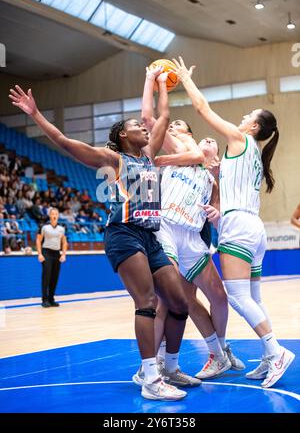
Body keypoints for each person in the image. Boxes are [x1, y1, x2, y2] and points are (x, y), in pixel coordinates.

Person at [9, 67, 189, 402]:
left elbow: (163, 114)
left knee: (179, 303)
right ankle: (150, 378)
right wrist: (34, 115)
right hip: (123, 234)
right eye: (136, 125)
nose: (144, 127)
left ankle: (169, 367)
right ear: (123, 135)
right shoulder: (113, 158)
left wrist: (161, 83)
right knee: (147, 302)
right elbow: (63, 141)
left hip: (150, 237)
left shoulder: (150, 157)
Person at [172, 56, 295, 388]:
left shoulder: (240, 140)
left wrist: (186, 80)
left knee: (238, 297)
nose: (242, 118)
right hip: (252, 227)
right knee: (253, 298)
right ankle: (270, 358)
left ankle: (276, 351)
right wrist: (216, 200)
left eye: (247, 117)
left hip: (240, 229)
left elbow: (203, 110)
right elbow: (228, 187)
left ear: (254, 127)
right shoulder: (249, 152)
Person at [140, 109, 244, 383]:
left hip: (193, 237)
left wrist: (217, 212)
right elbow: (152, 120)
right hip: (167, 229)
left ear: (217, 156)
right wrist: (157, 82)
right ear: (189, 137)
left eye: (213, 141)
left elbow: (219, 207)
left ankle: (219, 352)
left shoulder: (212, 178)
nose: (209, 140)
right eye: (204, 138)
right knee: (167, 299)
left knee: (218, 297)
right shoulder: (180, 149)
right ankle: (153, 364)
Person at [36, 208, 67, 307]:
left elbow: (64, 242)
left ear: (58, 216)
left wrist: (63, 254)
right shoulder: (44, 227)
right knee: (46, 276)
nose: (54, 215)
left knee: (54, 277)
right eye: (52, 214)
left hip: (56, 253)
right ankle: (44, 299)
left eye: (56, 214)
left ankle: (51, 298)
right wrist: (40, 254)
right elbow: (38, 240)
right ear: (50, 215)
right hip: (46, 253)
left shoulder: (62, 229)